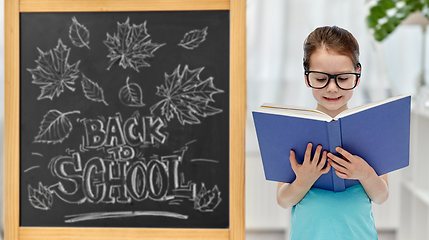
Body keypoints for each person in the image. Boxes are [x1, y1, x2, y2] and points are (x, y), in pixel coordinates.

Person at [276, 26, 389, 240]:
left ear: (357, 73)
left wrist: (364, 173)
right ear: (306, 76)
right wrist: (304, 180)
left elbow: (382, 196)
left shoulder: (371, 128)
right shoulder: (294, 130)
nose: (332, 88)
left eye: (343, 78)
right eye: (320, 79)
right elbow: (283, 200)